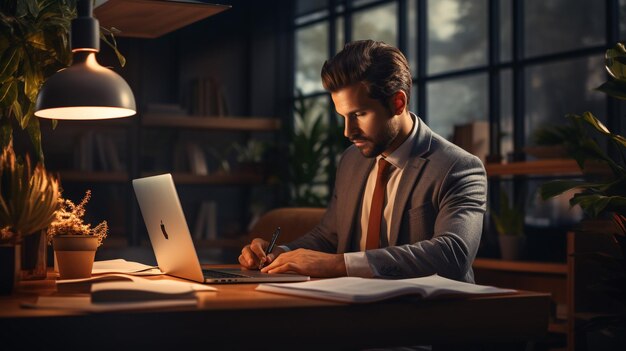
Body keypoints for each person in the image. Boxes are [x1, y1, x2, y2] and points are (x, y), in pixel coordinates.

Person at [239, 40, 487, 282]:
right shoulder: (351, 160)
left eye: (359, 114)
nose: (348, 131)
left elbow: (453, 254)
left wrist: (340, 264)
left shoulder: (457, 167)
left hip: (429, 315)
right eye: (343, 116)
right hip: (355, 311)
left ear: (397, 103)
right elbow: (329, 237)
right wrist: (279, 254)